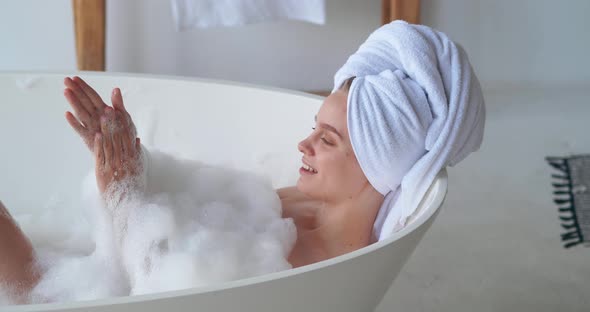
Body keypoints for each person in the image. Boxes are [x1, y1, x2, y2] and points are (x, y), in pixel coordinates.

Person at [0, 21, 485, 302]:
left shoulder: (313, 262)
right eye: (315, 125)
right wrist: (128, 165)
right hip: (95, 269)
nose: (303, 144)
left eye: (327, 139)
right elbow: (175, 236)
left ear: (376, 167)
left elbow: (158, 294)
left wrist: (122, 196)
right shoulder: (303, 206)